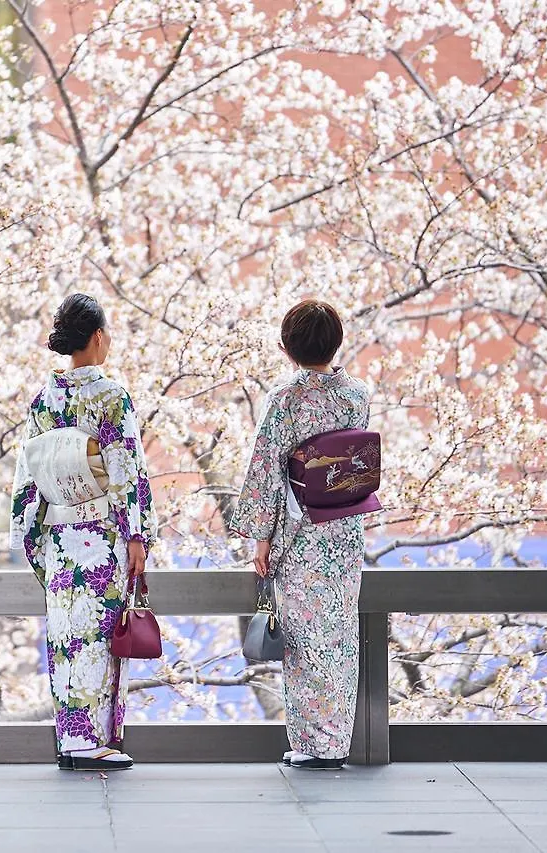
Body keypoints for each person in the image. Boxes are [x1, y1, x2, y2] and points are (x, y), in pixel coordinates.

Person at [10, 293, 158, 771]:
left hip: (59, 539)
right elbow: (127, 471)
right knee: (98, 636)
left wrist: (32, 539)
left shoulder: (45, 400)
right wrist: (137, 537)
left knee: (66, 638)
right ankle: (92, 741)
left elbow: (29, 478)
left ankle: (73, 741)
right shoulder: (112, 397)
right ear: (97, 337)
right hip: (101, 541)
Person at [230, 299, 371, 771]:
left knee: (305, 639)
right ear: (338, 343)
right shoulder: (357, 395)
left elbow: (268, 468)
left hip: (301, 529)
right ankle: (335, 743)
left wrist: (260, 537)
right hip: (345, 530)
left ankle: (313, 745)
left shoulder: (287, 398)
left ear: (286, 348)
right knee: (339, 636)